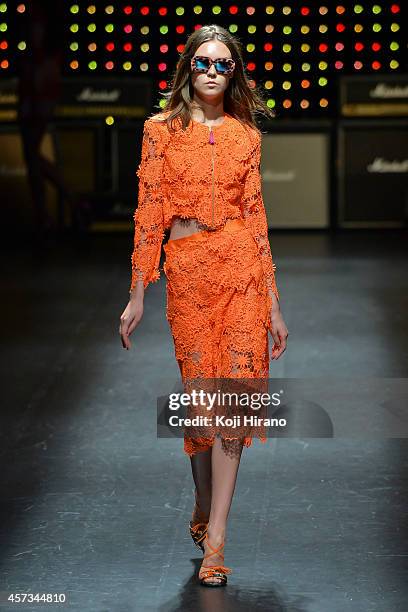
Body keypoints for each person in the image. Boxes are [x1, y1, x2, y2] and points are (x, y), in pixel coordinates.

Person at [119, 25, 289, 587]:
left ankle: (216, 541)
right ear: (188, 69)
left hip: (241, 271)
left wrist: (273, 302)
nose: (213, 72)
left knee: (234, 408)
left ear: (233, 72)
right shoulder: (159, 131)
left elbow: (258, 220)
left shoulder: (246, 136)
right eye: (203, 63)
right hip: (189, 275)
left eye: (223, 64)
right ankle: (201, 499)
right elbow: (149, 211)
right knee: (203, 407)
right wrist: (138, 291)